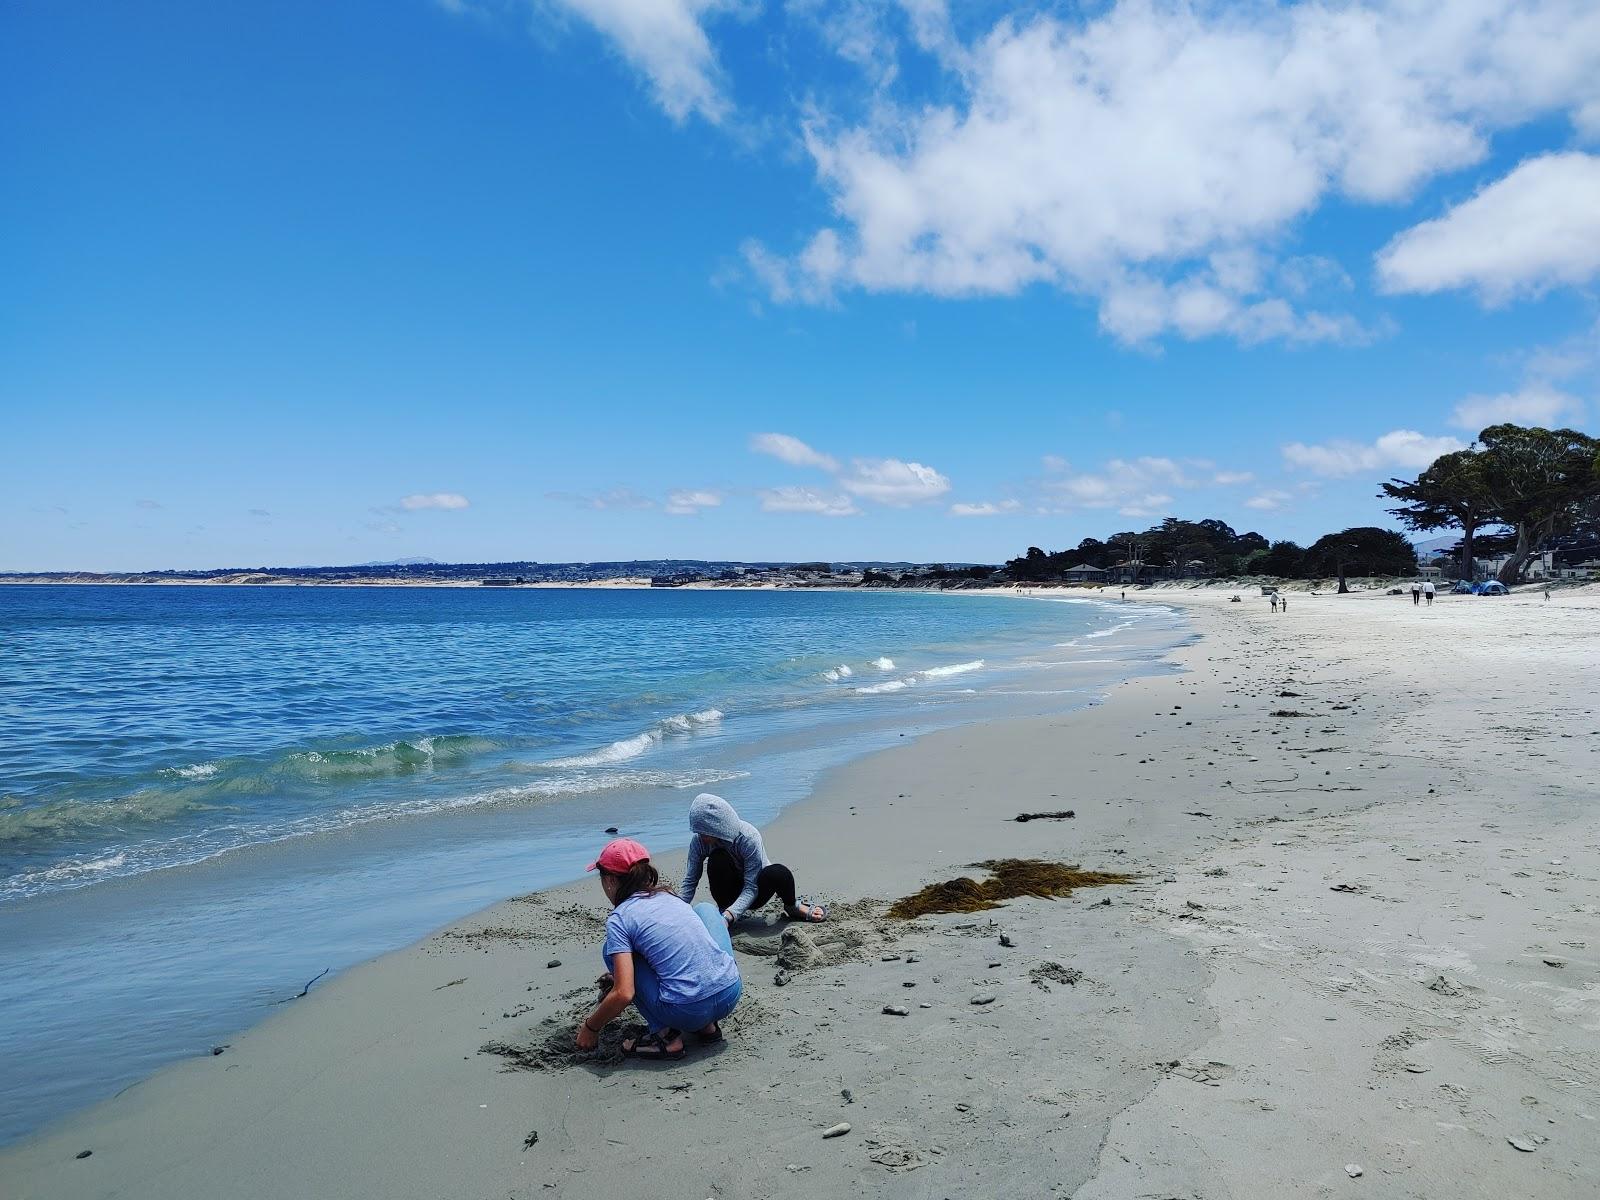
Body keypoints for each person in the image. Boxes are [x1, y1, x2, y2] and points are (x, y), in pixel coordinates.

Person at [579, 838, 742, 1061]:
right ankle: (707, 1028)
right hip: (730, 992)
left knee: (611, 949)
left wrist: (591, 1027)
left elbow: (624, 993)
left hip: (688, 1011)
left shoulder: (620, 918)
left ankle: (667, 1039)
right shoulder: (668, 895)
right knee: (704, 909)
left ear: (609, 881)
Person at [680, 793, 826, 925]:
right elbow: (690, 881)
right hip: (728, 892)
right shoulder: (699, 842)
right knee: (717, 859)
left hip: (756, 891)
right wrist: (677, 911)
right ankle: (724, 909)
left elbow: (751, 887)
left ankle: (792, 906)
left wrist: (728, 917)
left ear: (716, 828)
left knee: (778, 872)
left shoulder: (748, 838)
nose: (701, 838)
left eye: (705, 833)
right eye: (698, 832)